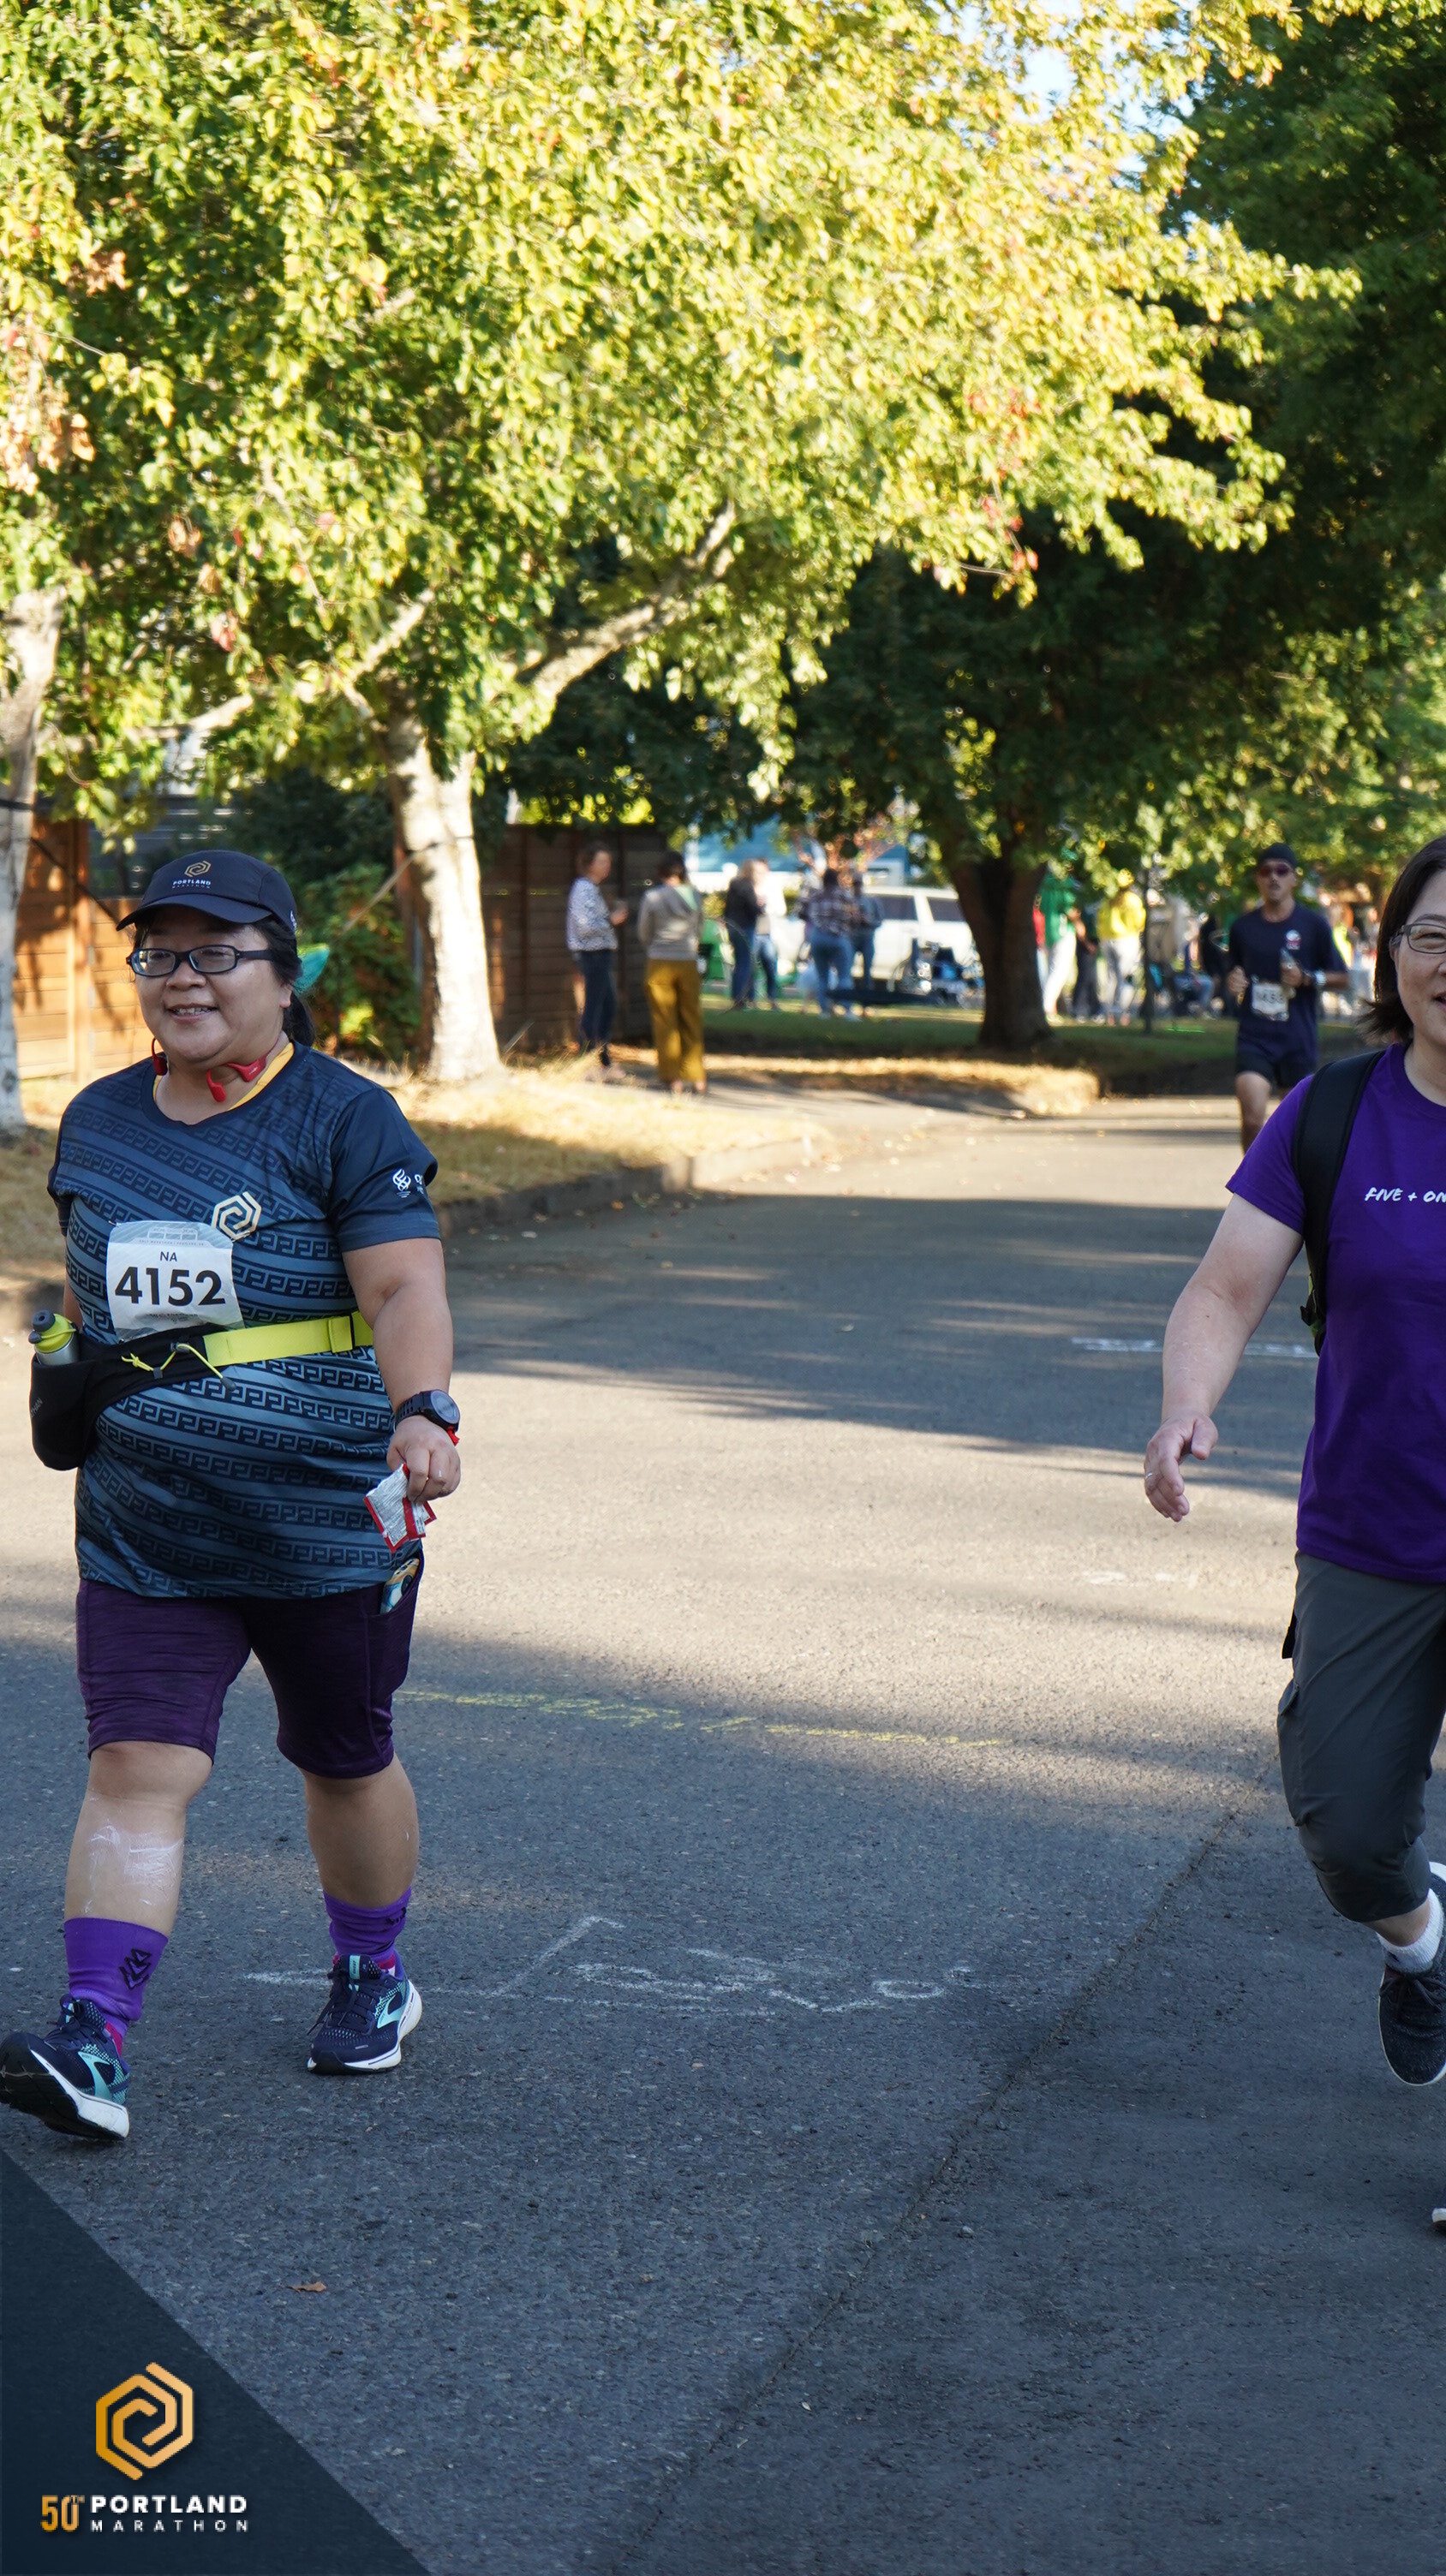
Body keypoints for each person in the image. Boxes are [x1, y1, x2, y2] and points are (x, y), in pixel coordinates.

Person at [1, 849, 461, 2143]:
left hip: (323, 1519)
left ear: (284, 970)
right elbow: (91, 1284)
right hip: (145, 1523)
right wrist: (71, 1366)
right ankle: (94, 2039)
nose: (183, 977)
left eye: (216, 952)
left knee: (342, 1757)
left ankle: (373, 1970)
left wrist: (423, 1408)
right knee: (137, 1763)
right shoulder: (100, 1118)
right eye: (160, 953)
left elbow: (402, 1286)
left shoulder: (344, 1117)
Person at [1144, 835, 1446, 2097]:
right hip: (1373, 1533)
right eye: (1433, 937)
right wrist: (1184, 1407)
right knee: (1348, 1829)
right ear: (1391, 958)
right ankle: (1422, 1945)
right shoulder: (1330, 1115)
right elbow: (1224, 1288)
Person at [1225, 843, 1347, 1148]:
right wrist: (1233, 981)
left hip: (1297, 1038)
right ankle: (1252, 1176)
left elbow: (1342, 977)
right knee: (1252, 1118)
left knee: (1293, 1128)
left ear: (1294, 878)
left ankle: (1286, 1178)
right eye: (1266, 871)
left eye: (1282, 870)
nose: (1274, 877)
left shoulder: (1313, 925)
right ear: (1258, 879)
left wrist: (1307, 978)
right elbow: (1232, 973)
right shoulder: (1243, 928)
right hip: (1255, 1036)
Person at [637, 850, 706, 1094]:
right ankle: (697, 1077)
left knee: (665, 1020)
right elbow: (700, 928)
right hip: (688, 960)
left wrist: (654, 946)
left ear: (660, 872)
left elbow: (644, 931)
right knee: (691, 1018)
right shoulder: (694, 896)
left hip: (660, 961)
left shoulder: (653, 897)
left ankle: (672, 1077)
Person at [565, 842, 627, 1070]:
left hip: (600, 954)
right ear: (589, 864)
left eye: (608, 862)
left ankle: (601, 1057)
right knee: (596, 1006)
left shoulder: (591, 888)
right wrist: (611, 920)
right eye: (602, 861)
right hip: (592, 955)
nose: (606, 866)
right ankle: (591, 1058)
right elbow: (584, 926)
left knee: (607, 1005)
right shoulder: (583, 889)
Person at [802, 868, 858, 1017]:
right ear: (836, 880)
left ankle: (824, 1011)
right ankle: (847, 1010)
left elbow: (803, 912)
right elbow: (855, 917)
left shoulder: (815, 896)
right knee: (844, 975)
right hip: (839, 937)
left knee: (822, 976)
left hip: (818, 937)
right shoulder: (845, 895)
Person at [1097, 873, 1145, 1023]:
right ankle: (1123, 1013)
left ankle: (1109, 1014)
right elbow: (1140, 922)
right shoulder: (1133, 901)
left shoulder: (1107, 900)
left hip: (1107, 939)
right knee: (1126, 977)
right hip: (1127, 940)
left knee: (1111, 977)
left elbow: (1100, 919)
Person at [1038, 868, 1079, 1019]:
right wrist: (1079, 924)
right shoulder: (1065, 883)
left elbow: (1041, 907)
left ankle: (1051, 1006)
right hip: (1063, 930)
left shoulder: (1044, 883)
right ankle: (1047, 1007)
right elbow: (1069, 909)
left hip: (1047, 930)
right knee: (1059, 971)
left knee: (1050, 970)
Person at [723, 861, 762, 1008]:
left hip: (733, 927)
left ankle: (736, 995)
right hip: (745, 927)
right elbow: (752, 908)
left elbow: (727, 908)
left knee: (738, 963)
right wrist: (761, 908)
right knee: (746, 963)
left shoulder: (733, 885)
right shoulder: (747, 886)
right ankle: (742, 997)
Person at [848, 870, 883, 1012]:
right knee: (847, 970)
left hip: (867, 938)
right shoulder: (848, 900)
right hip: (851, 938)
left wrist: (868, 921)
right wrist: (853, 918)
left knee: (867, 972)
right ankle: (847, 1003)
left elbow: (880, 921)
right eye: (855, 884)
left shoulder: (872, 901)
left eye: (859, 884)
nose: (857, 887)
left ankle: (866, 1005)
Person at [751, 858, 784, 1007]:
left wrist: (767, 906)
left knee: (770, 967)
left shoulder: (773, 888)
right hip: (753, 932)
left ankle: (772, 998)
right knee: (751, 968)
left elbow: (781, 909)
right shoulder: (749, 886)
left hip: (767, 933)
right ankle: (752, 999)